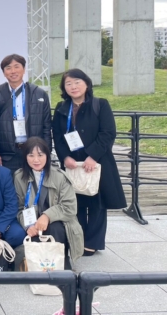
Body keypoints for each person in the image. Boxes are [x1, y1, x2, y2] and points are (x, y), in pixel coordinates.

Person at [52, 68, 126, 255]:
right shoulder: (61, 108)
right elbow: (58, 136)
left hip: (97, 162)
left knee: (97, 204)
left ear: (86, 83)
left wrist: (93, 156)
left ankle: (92, 242)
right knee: (75, 202)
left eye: (77, 82)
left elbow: (108, 133)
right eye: (68, 84)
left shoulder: (100, 104)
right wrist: (64, 157)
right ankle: (77, 239)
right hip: (72, 163)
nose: (73, 86)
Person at [13, 137, 84, 268]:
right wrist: (28, 225)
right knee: (31, 235)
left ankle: (60, 264)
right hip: (33, 222)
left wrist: (47, 216)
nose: (36, 160)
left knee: (55, 228)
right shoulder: (19, 177)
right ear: (25, 157)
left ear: (47, 155)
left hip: (59, 222)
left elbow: (69, 207)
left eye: (40, 155)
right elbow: (19, 207)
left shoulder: (60, 176)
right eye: (31, 155)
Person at [0, 54, 51, 173]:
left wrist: (46, 152)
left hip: (34, 153)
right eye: (8, 68)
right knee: (10, 184)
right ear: (4, 72)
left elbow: (47, 126)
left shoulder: (39, 94)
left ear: (24, 69)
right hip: (7, 155)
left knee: (34, 184)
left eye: (17, 67)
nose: (13, 71)